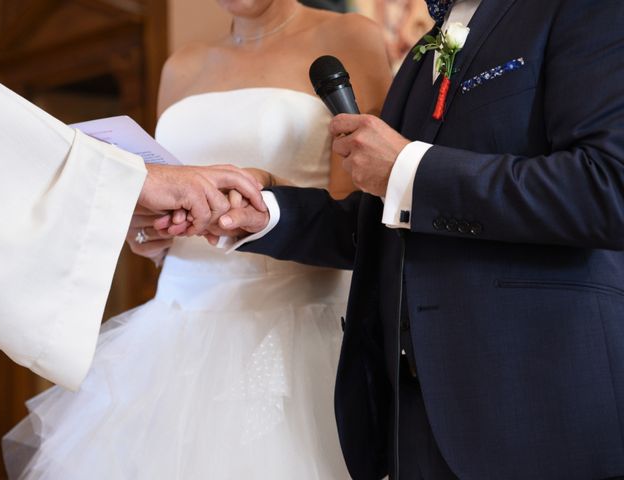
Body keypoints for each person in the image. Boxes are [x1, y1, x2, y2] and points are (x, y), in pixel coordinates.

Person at [212, 0, 624, 478]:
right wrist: (265, 215)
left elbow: (608, 189)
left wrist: (411, 169)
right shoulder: (421, 55)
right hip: (417, 415)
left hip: (543, 409)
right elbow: (394, 220)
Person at [3, 1, 390, 478]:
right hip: (173, 325)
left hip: (293, 325)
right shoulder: (181, 64)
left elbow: (364, 207)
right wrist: (148, 236)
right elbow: (167, 180)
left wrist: (267, 193)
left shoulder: (352, 37)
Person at [0, 73, 265, 390]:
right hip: (179, 300)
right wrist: (142, 207)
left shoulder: (332, 34)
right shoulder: (180, 66)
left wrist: (268, 192)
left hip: (279, 306)